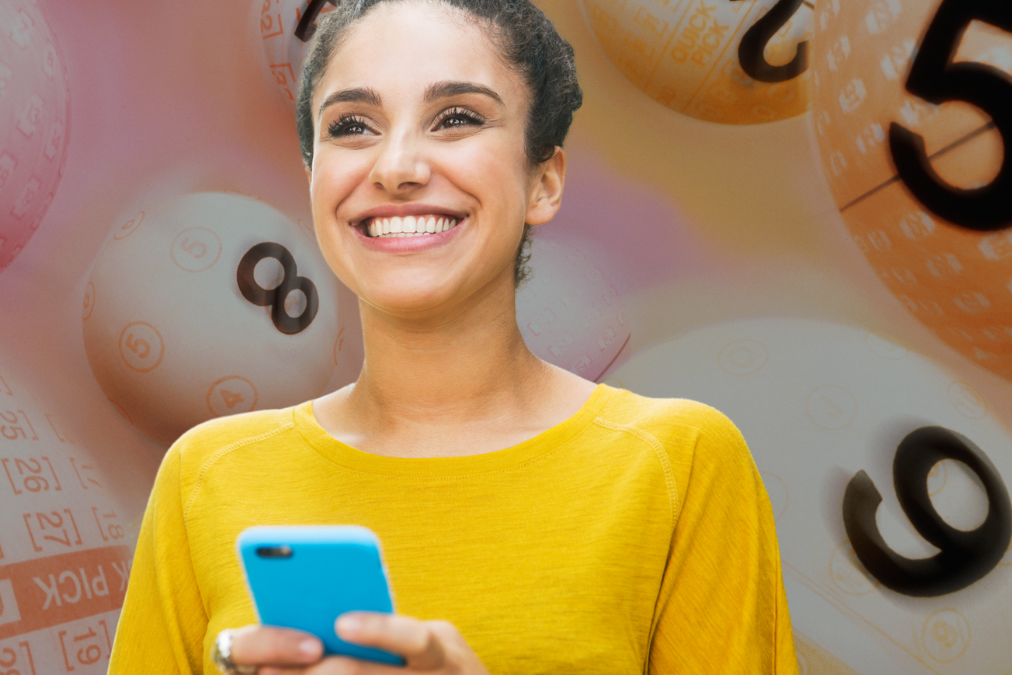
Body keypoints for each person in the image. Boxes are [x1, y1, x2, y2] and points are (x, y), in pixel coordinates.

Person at [108, 0, 798, 672]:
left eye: (457, 118)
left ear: (545, 182)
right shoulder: (206, 476)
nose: (397, 166)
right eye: (352, 125)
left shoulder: (678, 464)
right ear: (314, 178)